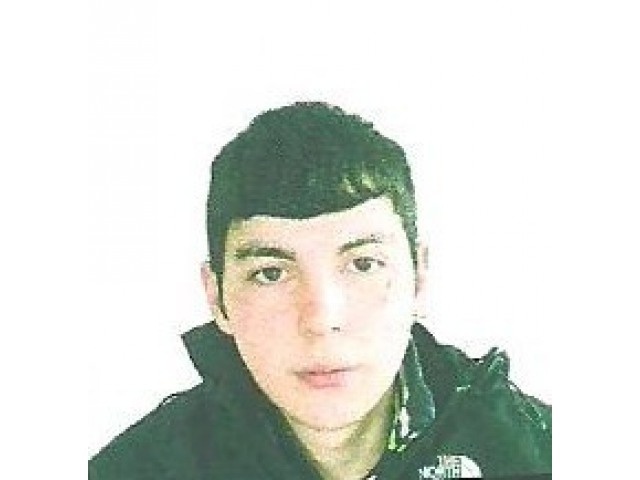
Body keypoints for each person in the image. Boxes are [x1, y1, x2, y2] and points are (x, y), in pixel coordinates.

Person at [89, 102, 551, 479]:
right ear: (217, 298)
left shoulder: (538, 454)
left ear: (419, 278)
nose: (321, 318)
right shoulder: (132, 471)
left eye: (363, 264)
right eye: (271, 273)